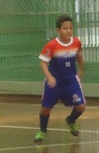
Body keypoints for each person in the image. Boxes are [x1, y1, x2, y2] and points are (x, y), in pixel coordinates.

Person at [34, 14, 86, 143]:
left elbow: (79, 56)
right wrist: (49, 77)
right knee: (46, 108)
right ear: (58, 30)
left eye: (70, 28)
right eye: (65, 28)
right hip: (55, 81)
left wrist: (81, 69)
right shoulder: (52, 45)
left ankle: (71, 120)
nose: (68, 30)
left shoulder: (76, 42)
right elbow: (43, 62)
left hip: (70, 80)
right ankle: (42, 130)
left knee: (81, 106)